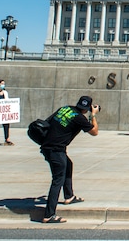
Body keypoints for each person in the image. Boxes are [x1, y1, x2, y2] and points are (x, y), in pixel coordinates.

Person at [40, 96, 99, 224]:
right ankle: (49, 215)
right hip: (56, 150)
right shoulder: (79, 118)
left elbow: (48, 121)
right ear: (88, 108)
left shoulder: (65, 109)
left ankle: (69, 196)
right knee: (57, 181)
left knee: (68, 164)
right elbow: (94, 132)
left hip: (48, 146)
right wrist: (93, 115)